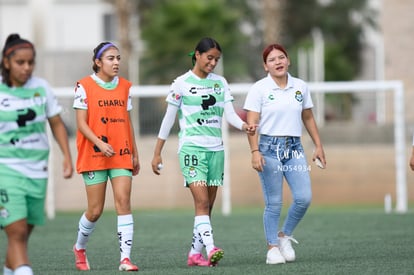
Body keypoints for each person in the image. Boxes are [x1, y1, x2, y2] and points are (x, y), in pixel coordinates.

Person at [151, 37, 256, 267]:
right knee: (201, 203)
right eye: (209, 57)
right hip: (191, 149)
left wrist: (243, 125)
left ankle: (193, 254)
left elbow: (229, 115)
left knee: (206, 208)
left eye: (216, 59)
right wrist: (157, 151)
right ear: (197, 55)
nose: (213, 63)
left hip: (216, 151)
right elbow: (169, 119)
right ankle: (211, 249)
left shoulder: (220, 83)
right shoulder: (180, 83)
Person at [243, 43, 326, 265]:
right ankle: (272, 248)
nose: (278, 62)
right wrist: (254, 151)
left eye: (281, 57)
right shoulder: (259, 89)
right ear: (265, 66)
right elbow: (251, 123)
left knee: (303, 198)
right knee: (274, 203)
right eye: (272, 60)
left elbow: (307, 117)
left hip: (294, 149)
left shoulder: (300, 87)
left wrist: (318, 145)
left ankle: (283, 236)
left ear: (288, 60)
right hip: (268, 149)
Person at [0, 33, 74, 275]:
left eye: (31, 62)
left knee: (22, 234)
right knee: (17, 232)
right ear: (7, 61)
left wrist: (66, 155)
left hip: (38, 170)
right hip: (6, 169)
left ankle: (11, 270)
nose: (27, 68)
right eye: (20, 62)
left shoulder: (41, 88)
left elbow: (56, 123)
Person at [72, 42, 140, 272]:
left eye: (118, 58)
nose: (116, 62)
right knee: (95, 210)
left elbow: (127, 122)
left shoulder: (125, 87)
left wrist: (134, 153)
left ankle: (125, 259)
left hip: (120, 153)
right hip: (94, 154)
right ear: (98, 62)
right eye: (111, 58)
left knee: (123, 202)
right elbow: (81, 123)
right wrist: (100, 144)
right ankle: (80, 248)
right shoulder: (84, 86)